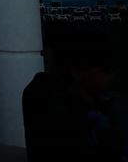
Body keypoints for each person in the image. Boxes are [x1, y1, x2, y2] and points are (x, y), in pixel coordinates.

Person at [23, 24, 126, 161]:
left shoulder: (38, 91)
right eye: (105, 70)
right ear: (78, 71)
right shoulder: (68, 110)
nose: (112, 76)